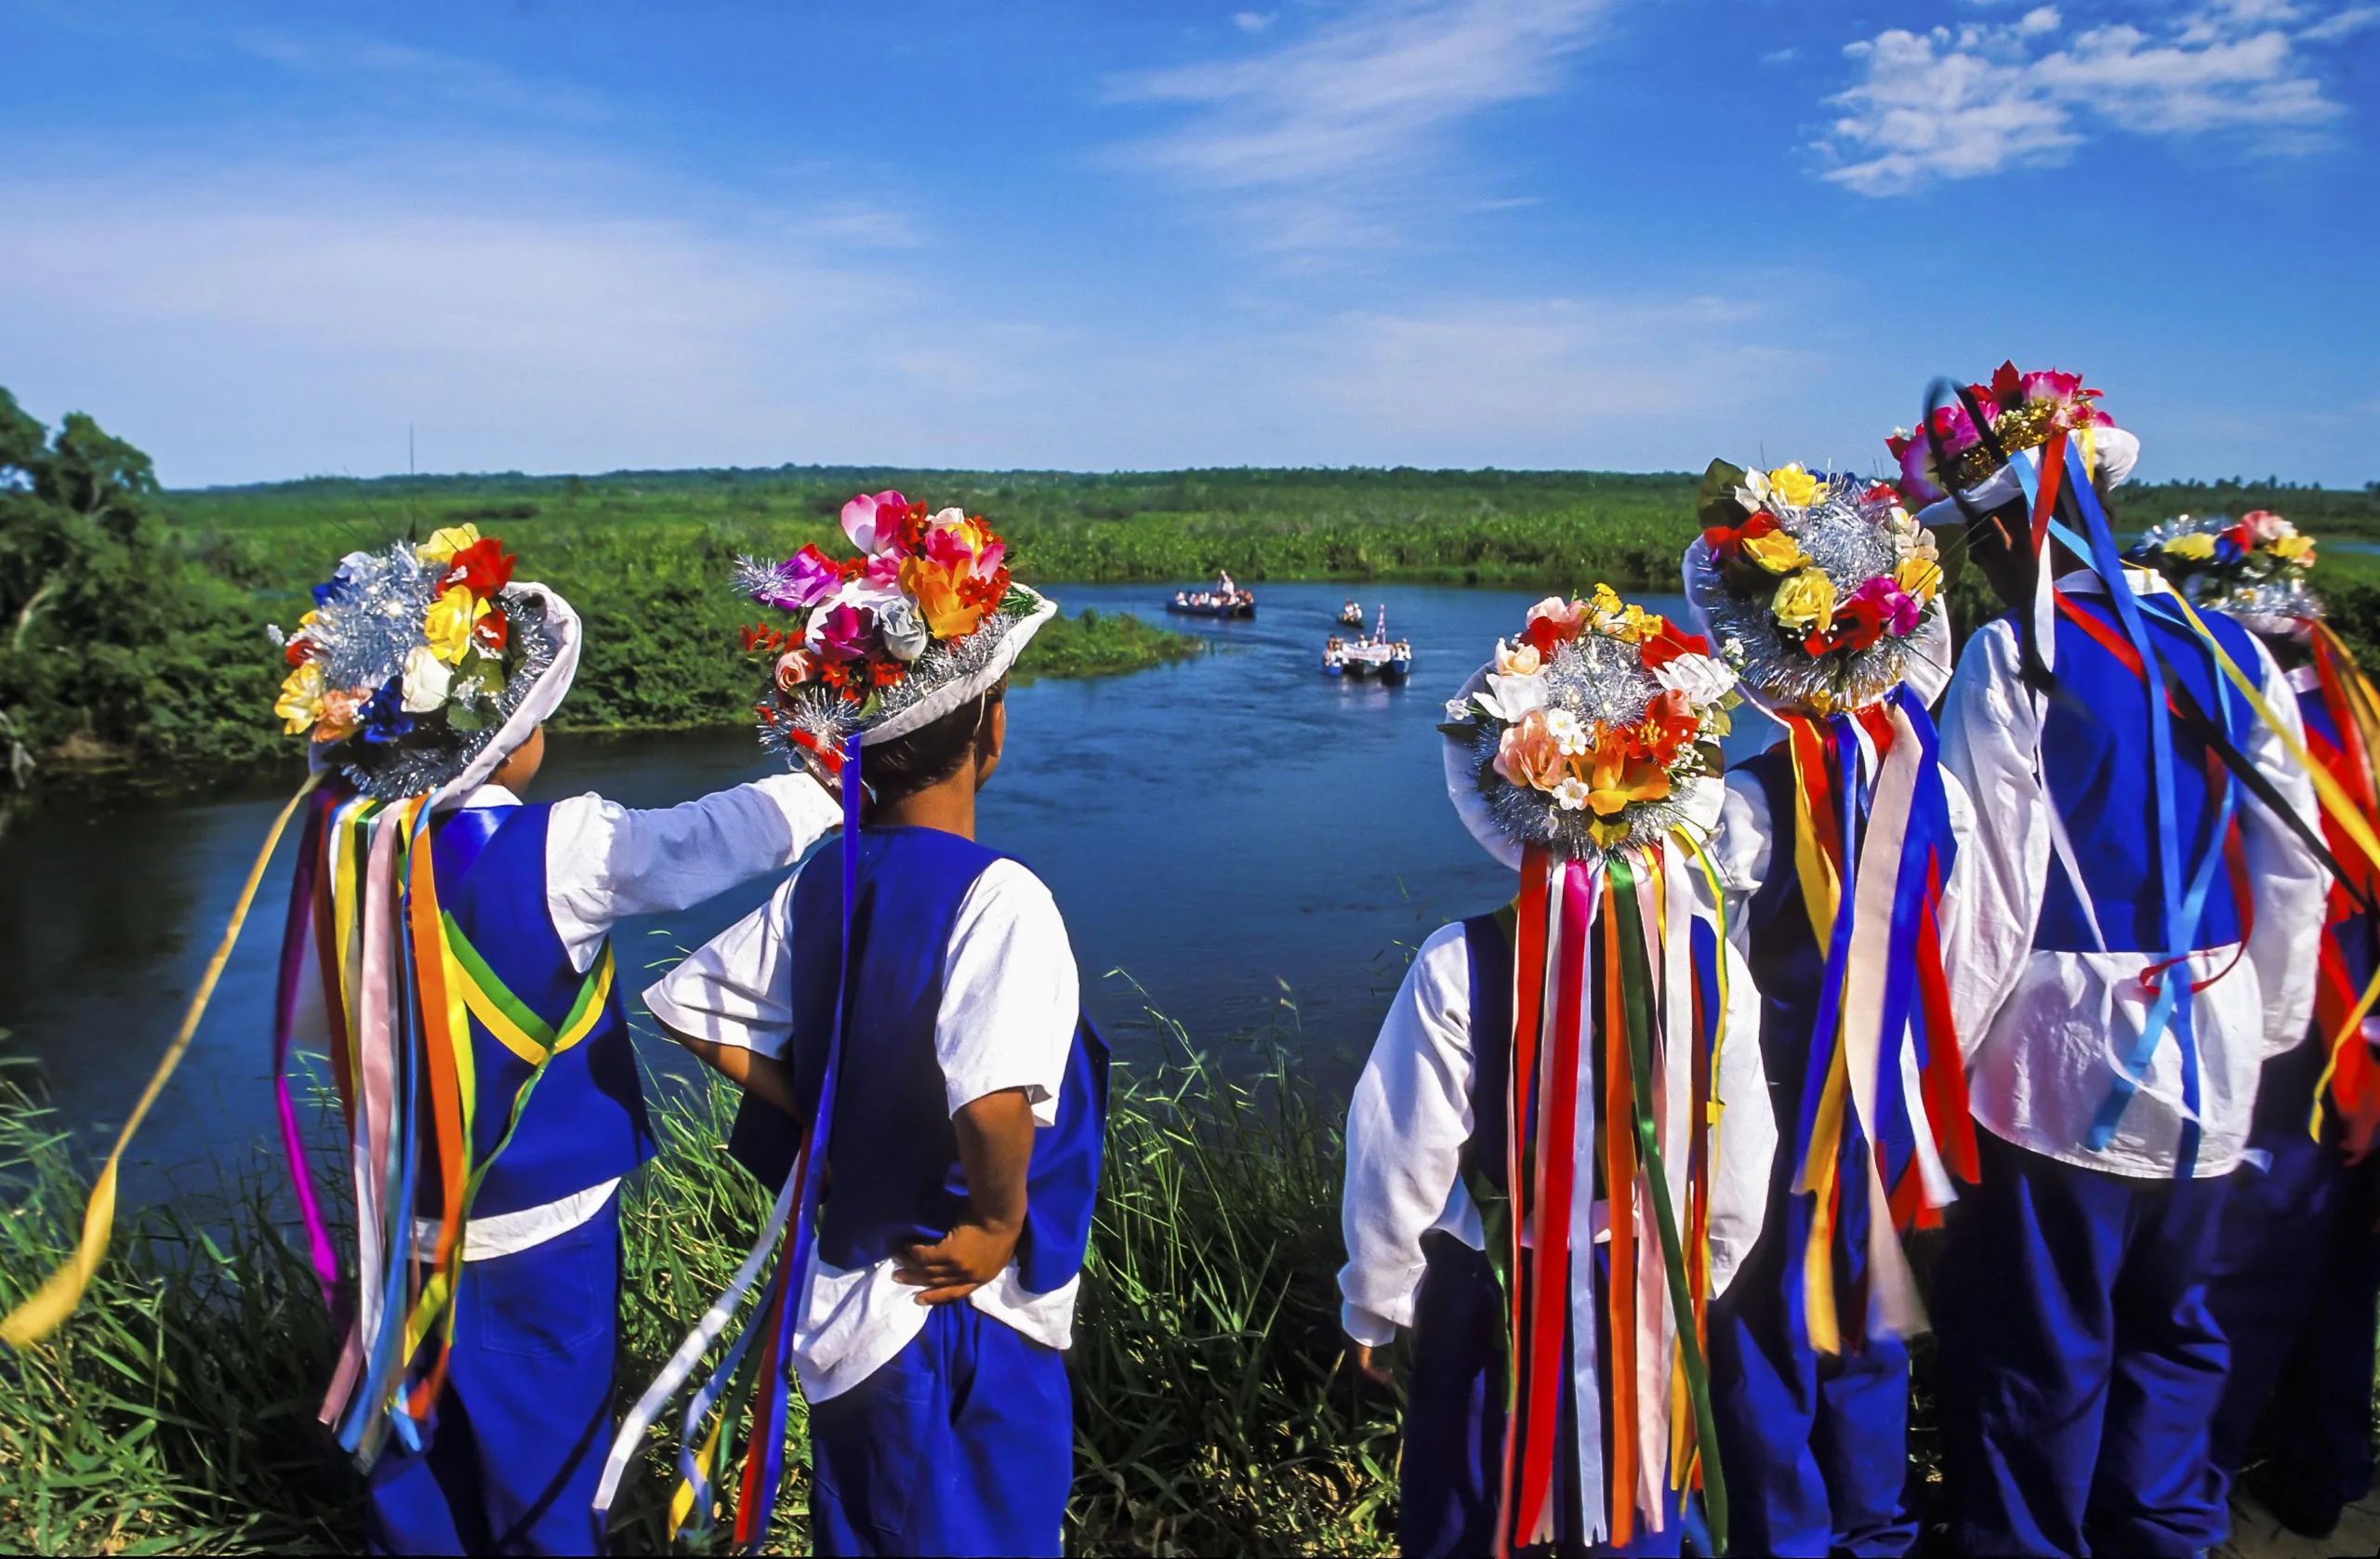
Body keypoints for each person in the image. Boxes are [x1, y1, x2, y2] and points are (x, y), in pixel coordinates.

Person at [262, 525, 844, 1555]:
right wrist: (825, 783)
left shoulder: (347, 857)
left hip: (399, 1224)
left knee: (415, 1454)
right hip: (542, 1226)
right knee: (545, 1453)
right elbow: (707, 840)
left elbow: (320, 1025)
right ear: (507, 738)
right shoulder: (558, 848)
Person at [633, 492, 1107, 1558]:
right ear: (988, 730)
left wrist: (825, 1118)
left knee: (871, 1522)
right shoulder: (1001, 896)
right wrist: (993, 1223)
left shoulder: (822, 880)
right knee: (976, 1525)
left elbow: (693, 1009)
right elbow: (990, 1097)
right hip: (956, 1309)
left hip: (854, 1300)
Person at [1909, 367, 2329, 1556]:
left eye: (1967, 542)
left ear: (2005, 526)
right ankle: (2163, 1537)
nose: (1968, 566)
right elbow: (2287, 863)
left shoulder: (2012, 654)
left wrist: (1940, 1068)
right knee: (2180, 1329)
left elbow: (1987, 894)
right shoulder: (2236, 646)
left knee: (2038, 1344)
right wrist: (2271, 1026)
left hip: (2055, 1059)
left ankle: (2027, 1544)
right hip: (2214, 1034)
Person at [1342, 586, 1775, 1557]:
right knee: (1639, 1507)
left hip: (1486, 1293)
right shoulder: (1713, 964)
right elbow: (1741, 1159)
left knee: (1475, 1507)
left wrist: (1373, 1300)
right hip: (1649, 1281)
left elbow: (1394, 1162)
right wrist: (1699, 1275)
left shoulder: (1457, 962)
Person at [1686, 459, 1974, 1558]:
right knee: (1867, 1324)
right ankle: (1876, 1530)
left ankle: (1790, 1537)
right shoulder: (1927, 777)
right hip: (1889, 1106)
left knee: (1766, 1336)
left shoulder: (1741, 811)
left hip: (1779, 1114)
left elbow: (1699, 977)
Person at [2123, 511, 2380, 1540]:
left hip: (2299, 1033)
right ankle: (2323, 1466)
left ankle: (2199, 1483)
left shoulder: (2234, 721)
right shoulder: (2356, 709)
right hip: (2351, 1021)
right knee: (2340, 1272)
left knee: (2247, 1277)